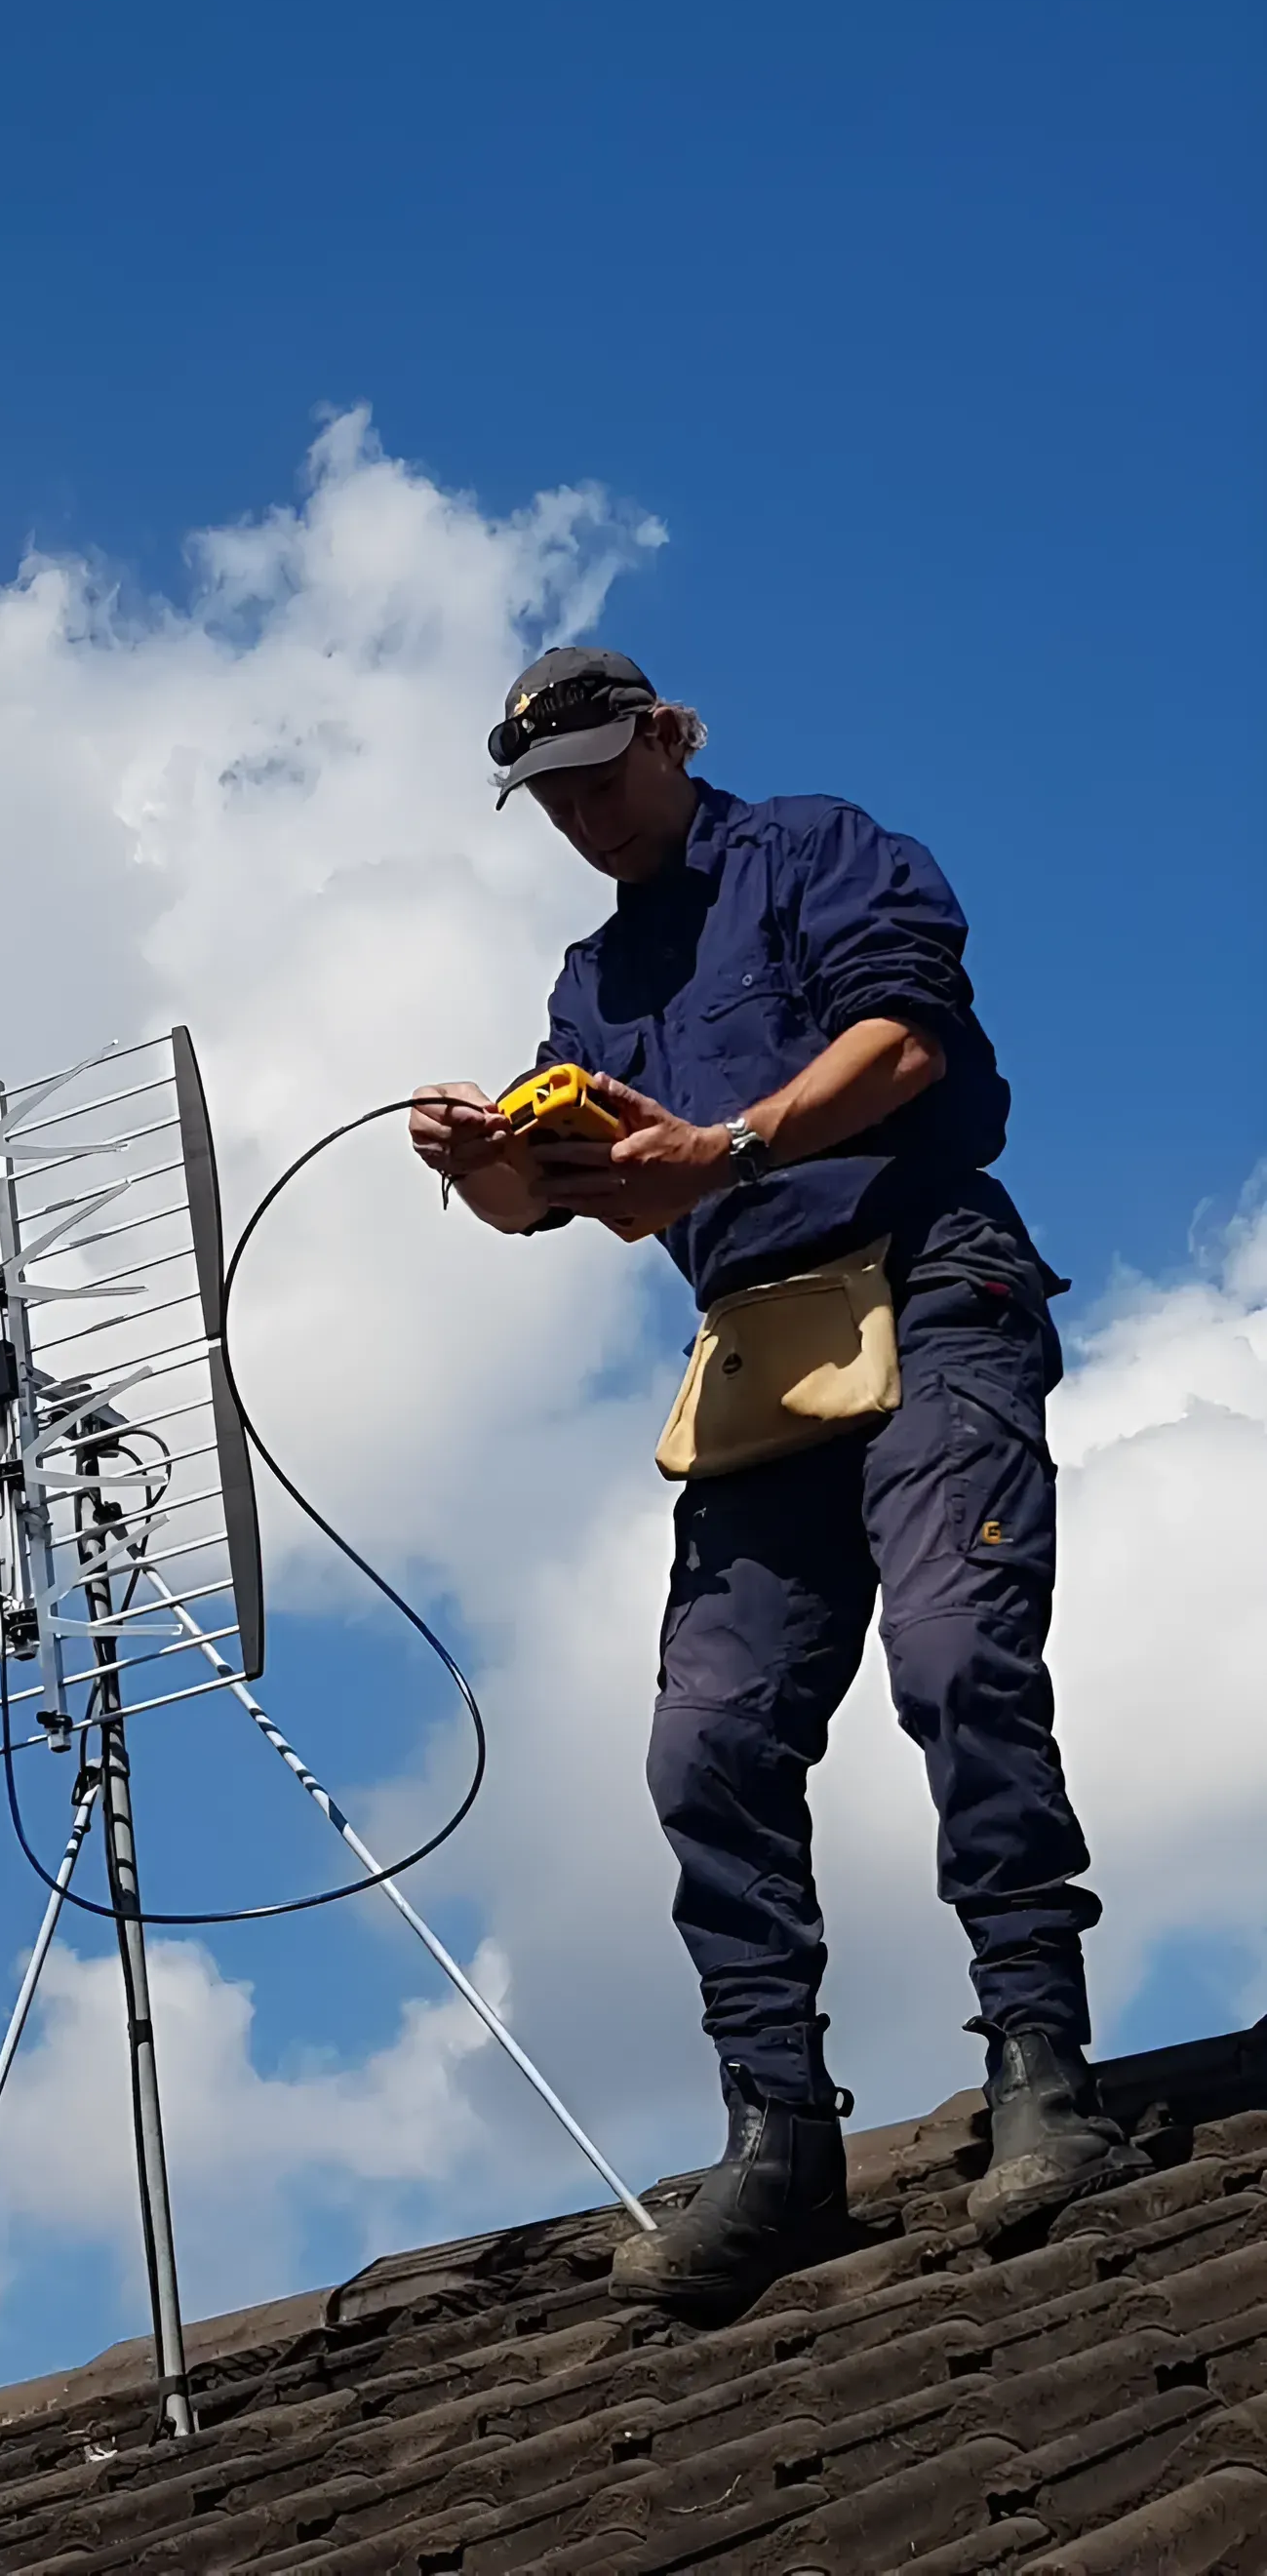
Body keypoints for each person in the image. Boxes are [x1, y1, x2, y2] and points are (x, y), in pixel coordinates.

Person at [409, 646, 1148, 2318]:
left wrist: (724, 1146)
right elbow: (593, 1206)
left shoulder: (819, 850)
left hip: (928, 1280)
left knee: (961, 1658)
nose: (586, 814)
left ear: (670, 737)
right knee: (710, 1743)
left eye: (607, 771)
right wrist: (496, 1177)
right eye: (554, 798)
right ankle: (780, 2132)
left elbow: (902, 1048)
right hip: (761, 1344)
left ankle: (1040, 2062)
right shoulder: (592, 987)